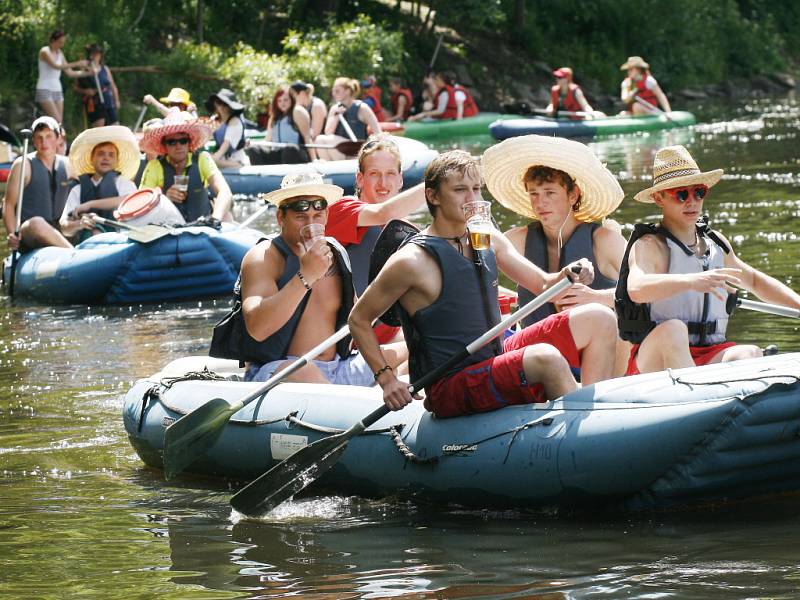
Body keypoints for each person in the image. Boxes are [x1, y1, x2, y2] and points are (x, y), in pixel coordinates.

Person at [349, 151, 618, 418]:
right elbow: (358, 319)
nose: (472, 199)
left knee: (600, 317)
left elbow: (544, 285)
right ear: (433, 196)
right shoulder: (411, 260)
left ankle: (591, 415)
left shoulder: (486, 238)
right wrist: (386, 379)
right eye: (460, 190)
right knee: (545, 357)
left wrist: (570, 274)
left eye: (476, 189)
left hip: (494, 355)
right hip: (450, 383)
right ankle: (583, 438)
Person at [616, 145, 800, 375]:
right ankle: (698, 395)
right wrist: (692, 281)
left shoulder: (715, 244)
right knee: (673, 330)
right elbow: (636, 289)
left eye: (698, 192)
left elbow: (753, 281)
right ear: (658, 197)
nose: (691, 201)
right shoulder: (649, 245)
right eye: (680, 194)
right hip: (656, 357)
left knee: (749, 353)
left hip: (710, 353)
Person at [229, 172, 407, 384]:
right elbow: (257, 329)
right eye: (301, 217)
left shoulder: (335, 251)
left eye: (317, 216)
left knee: (416, 347)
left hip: (339, 367)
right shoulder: (264, 257)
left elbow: (356, 317)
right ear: (280, 218)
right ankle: (353, 404)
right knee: (306, 371)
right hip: (282, 369)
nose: (310, 224)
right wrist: (305, 277)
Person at [484, 134, 631, 375]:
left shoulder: (604, 240)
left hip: (602, 357)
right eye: (533, 194)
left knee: (620, 325)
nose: (540, 203)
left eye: (549, 193)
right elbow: (472, 271)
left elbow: (644, 293)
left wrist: (596, 298)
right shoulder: (517, 239)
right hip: (542, 356)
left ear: (573, 195)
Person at [139, 110, 232, 222]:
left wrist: (215, 219)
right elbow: (141, 203)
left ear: (189, 142)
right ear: (164, 145)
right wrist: (163, 199)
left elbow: (224, 191)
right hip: (168, 229)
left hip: (204, 227)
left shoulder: (203, 159)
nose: (178, 146)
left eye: (183, 141)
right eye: (172, 142)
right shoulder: (154, 166)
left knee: (227, 216)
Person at [3, 116, 74, 251]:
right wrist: (12, 234)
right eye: (39, 137)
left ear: (58, 138)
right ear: (33, 141)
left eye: (48, 136)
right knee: (37, 223)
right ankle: (75, 256)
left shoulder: (67, 164)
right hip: (30, 232)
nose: (44, 142)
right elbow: (8, 204)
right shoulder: (23, 165)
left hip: (60, 229)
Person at [59, 125, 140, 241]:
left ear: (117, 161)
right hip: (88, 244)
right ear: (92, 158)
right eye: (101, 153)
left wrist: (90, 204)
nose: (106, 158)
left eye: (111, 155)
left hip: (119, 243)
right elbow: (64, 227)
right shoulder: (77, 189)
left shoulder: (125, 184)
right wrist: (79, 224)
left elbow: (129, 201)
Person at [315, 78, 381, 161]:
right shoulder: (334, 109)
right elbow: (328, 133)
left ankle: (343, 168)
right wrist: (336, 116)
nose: (333, 94)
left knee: (332, 141)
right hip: (339, 149)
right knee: (319, 139)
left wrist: (372, 150)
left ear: (347, 91)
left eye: (337, 91)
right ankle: (331, 169)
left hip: (356, 148)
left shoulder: (362, 108)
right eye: (333, 91)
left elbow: (378, 132)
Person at [247, 86, 315, 165]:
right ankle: (260, 176)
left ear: (292, 100)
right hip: (278, 153)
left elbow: (307, 137)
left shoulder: (297, 111)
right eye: (279, 101)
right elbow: (267, 141)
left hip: (295, 153)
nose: (282, 103)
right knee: (254, 149)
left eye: (285, 100)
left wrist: (314, 159)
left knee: (289, 149)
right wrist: (253, 143)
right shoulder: (274, 117)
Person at [35, 30, 89, 123]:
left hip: (57, 89)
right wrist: (78, 63)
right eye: (60, 42)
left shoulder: (60, 53)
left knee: (58, 123)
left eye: (63, 43)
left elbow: (70, 73)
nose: (61, 45)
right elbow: (56, 66)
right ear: (52, 40)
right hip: (44, 88)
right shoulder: (44, 51)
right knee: (56, 120)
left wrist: (88, 73)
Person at [74, 43, 120, 128]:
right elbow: (76, 87)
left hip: (108, 100)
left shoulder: (104, 68)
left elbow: (112, 85)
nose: (95, 56)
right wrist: (86, 91)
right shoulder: (84, 69)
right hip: (94, 102)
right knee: (99, 127)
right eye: (93, 53)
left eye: (97, 53)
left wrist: (116, 100)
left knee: (115, 126)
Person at [408, 71, 479, 121]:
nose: (435, 82)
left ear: (443, 82)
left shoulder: (447, 93)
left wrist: (423, 114)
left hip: (458, 118)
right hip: (446, 118)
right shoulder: (444, 91)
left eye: (437, 80)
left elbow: (441, 111)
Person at [205, 88, 249, 168]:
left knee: (207, 161)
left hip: (237, 162)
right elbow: (205, 136)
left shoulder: (235, 122)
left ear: (230, 106)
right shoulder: (214, 119)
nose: (221, 107)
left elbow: (226, 144)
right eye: (219, 103)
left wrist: (213, 159)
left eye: (225, 104)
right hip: (221, 160)